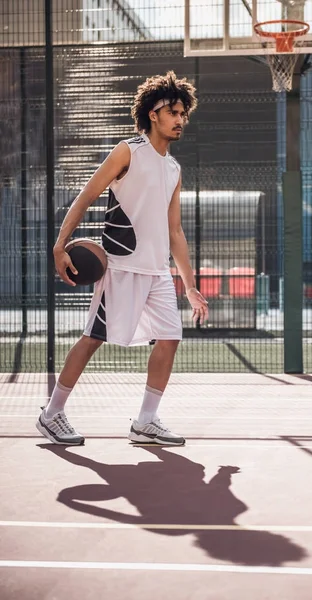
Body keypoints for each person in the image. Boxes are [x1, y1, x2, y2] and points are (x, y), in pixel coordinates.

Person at [36, 71, 209, 447]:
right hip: (121, 268)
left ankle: (146, 421)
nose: (180, 119)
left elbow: (175, 231)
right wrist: (60, 244)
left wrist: (191, 286)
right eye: (173, 112)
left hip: (157, 272)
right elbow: (86, 195)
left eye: (184, 114)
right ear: (153, 114)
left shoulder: (174, 169)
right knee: (93, 337)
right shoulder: (128, 151)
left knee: (170, 337)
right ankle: (52, 413)